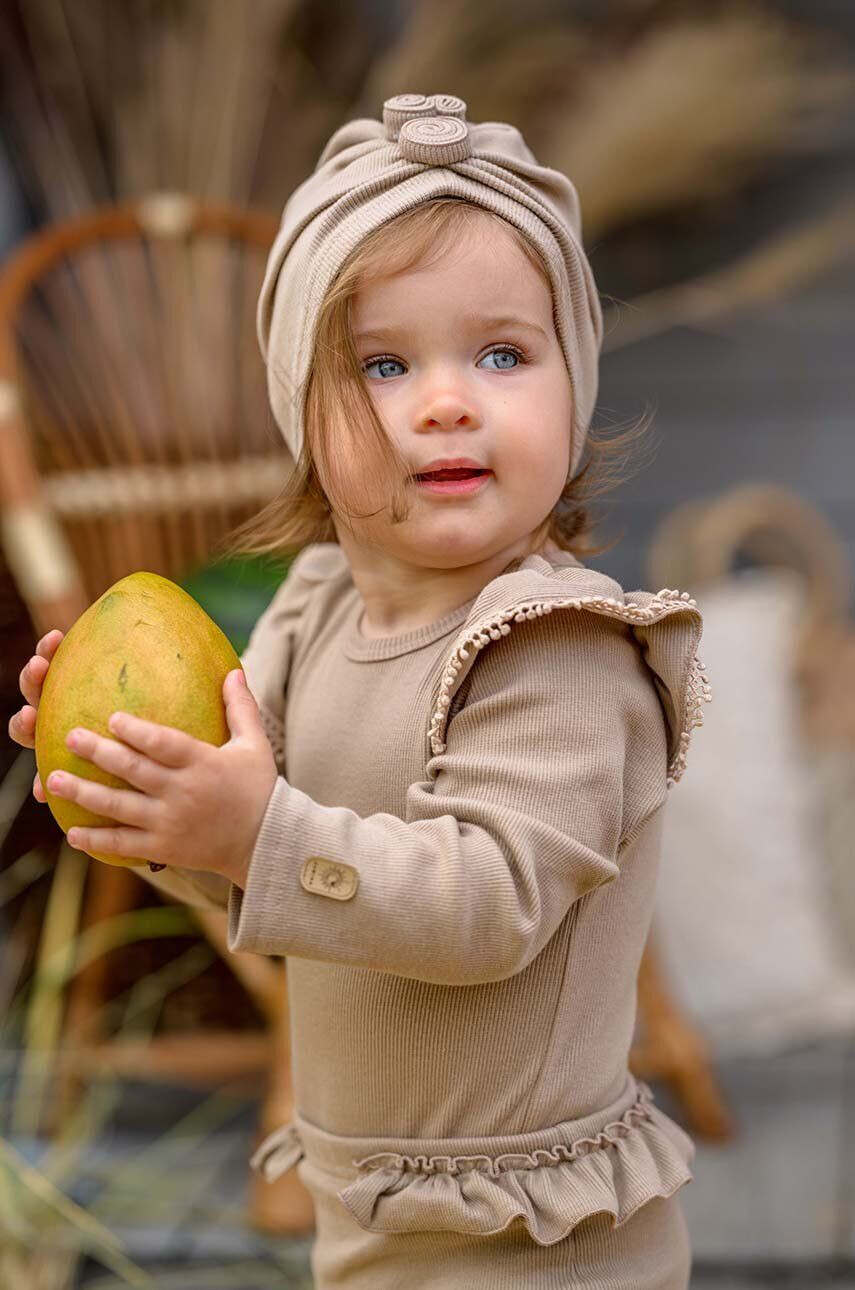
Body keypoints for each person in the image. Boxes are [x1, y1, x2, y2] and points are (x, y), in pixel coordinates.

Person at [10, 93, 712, 1289]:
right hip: (370, 1212)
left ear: (572, 383)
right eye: (385, 363)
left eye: (503, 353)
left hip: (532, 1241)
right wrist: (159, 813)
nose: (448, 399)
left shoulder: (561, 646)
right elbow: (266, 860)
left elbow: (484, 904)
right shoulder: (315, 607)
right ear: (302, 412)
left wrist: (256, 831)